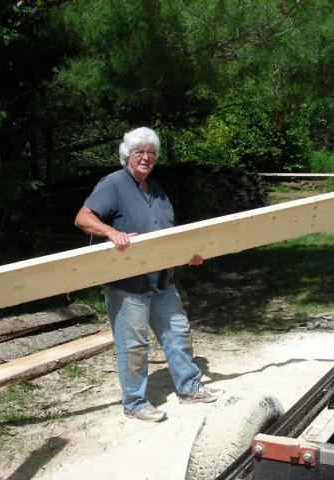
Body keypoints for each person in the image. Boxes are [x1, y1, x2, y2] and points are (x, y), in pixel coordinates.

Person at [74, 127, 224, 422]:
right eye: (139, 152)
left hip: (162, 280)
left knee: (178, 333)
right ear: (127, 155)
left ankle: (190, 388)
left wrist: (187, 253)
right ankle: (134, 403)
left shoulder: (155, 189)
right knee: (134, 345)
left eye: (151, 152)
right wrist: (111, 232)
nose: (146, 157)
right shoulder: (114, 184)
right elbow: (83, 217)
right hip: (128, 283)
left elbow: (167, 233)